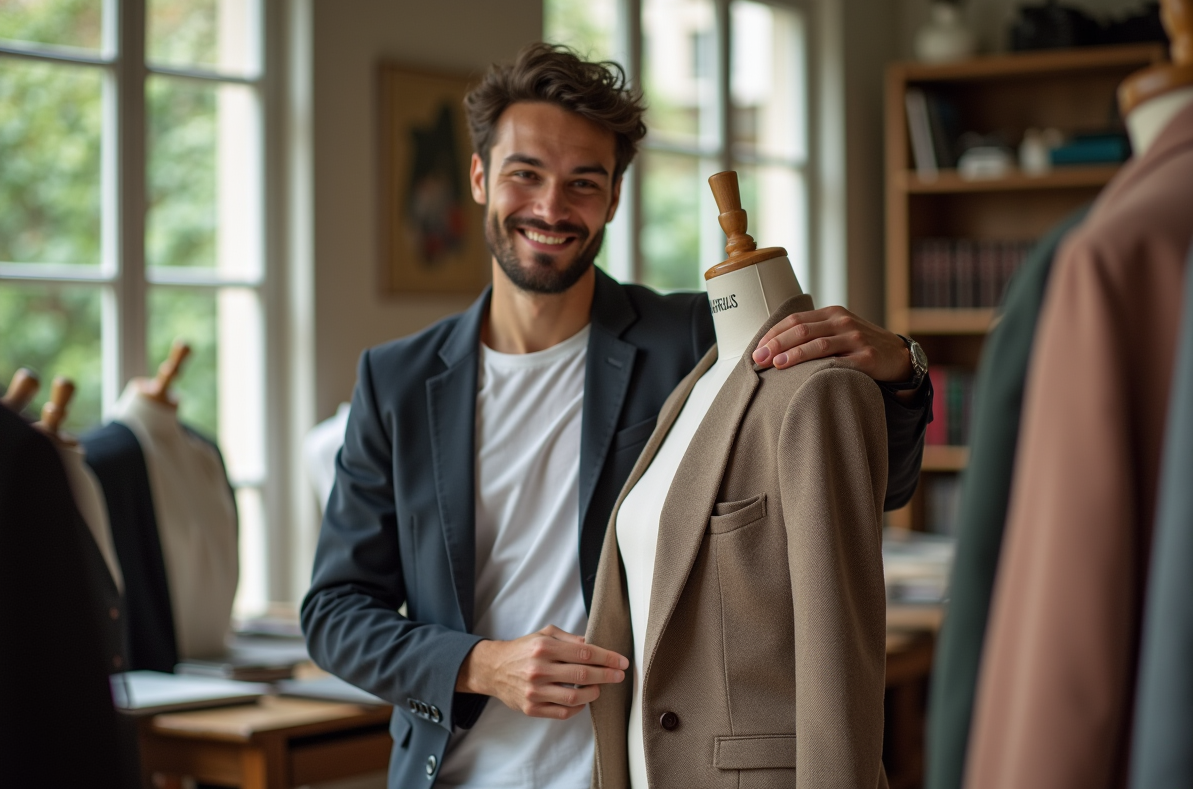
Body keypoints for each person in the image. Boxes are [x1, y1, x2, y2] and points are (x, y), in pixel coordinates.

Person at [301, 43, 931, 789]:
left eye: (583, 183)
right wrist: (479, 665)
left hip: (639, 766)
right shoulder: (396, 380)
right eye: (525, 175)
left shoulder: (698, 342)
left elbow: (869, 485)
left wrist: (901, 370)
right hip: (458, 772)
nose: (551, 208)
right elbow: (335, 612)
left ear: (615, 197)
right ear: (479, 178)